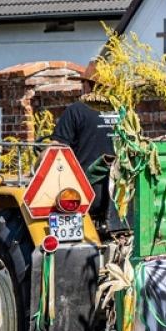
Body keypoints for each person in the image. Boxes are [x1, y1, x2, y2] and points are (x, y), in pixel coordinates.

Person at [50, 61, 121, 227]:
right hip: (118, 196)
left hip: (84, 193)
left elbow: (56, 149)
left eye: (83, 83)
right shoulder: (122, 112)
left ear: (89, 85)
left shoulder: (76, 110)